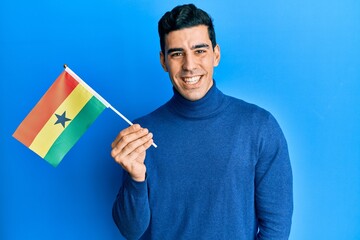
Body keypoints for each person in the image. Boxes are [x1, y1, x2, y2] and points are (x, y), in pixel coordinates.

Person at [111, 3, 293, 240]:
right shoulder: (140, 134)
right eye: (177, 54)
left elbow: (276, 229)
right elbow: (131, 231)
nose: (189, 65)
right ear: (163, 61)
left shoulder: (259, 126)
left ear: (215, 55)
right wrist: (136, 178)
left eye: (199, 51)